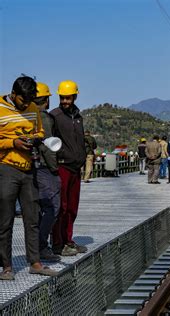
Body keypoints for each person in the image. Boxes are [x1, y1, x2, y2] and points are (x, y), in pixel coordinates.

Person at [0, 76, 58, 280]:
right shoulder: (0, 107)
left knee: (32, 217)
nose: (26, 105)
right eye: (22, 101)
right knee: (5, 219)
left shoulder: (33, 108)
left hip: (29, 169)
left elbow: (40, 131)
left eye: (29, 102)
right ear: (13, 94)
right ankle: (7, 266)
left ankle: (35, 262)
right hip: (6, 168)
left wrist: (36, 138)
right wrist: (13, 143)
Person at [50, 80, 87, 256]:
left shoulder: (78, 117)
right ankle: (58, 243)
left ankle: (69, 240)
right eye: (62, 97)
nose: (65, 101)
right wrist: (59, 158)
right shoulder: (55, 116)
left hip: (75, 167)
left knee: (72, 207)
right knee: (61, 207)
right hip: (62, 166)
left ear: (75, 96)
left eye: (68, 98)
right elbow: (49, 142)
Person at [34, 82, 62, 262]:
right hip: (44, 168)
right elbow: (49, 147)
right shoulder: (44, 117)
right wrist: (55, 169)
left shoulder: (26, 115)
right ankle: (41, 246)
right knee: (52, 207)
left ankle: (36, 245)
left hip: (30, 167)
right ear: (46, 99)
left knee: (37, 209)